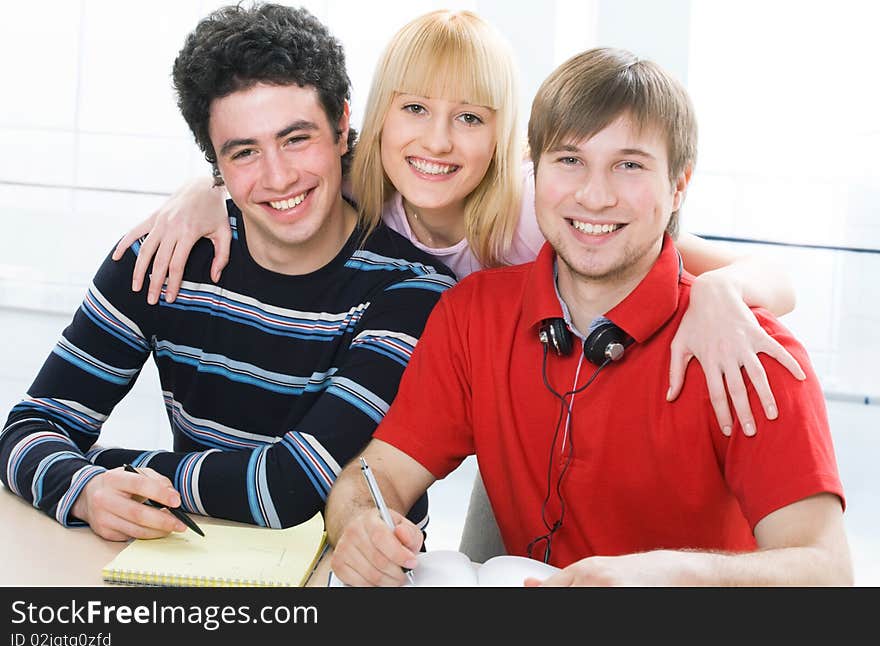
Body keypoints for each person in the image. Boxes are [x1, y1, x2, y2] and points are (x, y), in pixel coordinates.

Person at [113, 10, 804, 439]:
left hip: (549, 407)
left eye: (470, 118)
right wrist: (200, 190)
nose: (437, 142)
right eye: (414, 109)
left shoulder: (539, 208)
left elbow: (769, 279)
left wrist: (718, 292)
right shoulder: (357, 177)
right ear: (377, 116)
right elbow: (268, 167)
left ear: (506, 138)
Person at [323, 47, 852, 586]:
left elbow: (828, 573)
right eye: (570, 160)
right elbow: (376, 475)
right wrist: (361, 522)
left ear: (679, 186)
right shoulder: (469, 312)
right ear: (535, 170)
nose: (594, 196)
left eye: (629, 165)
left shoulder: (749, 348)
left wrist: (665, 577)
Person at [0, 3, 453, 541]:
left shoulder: (412, 290)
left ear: (342, 126)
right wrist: (86, 491)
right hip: (201, 569)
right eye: (244, 152)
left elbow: (291, 487)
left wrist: (105, 465)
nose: (279, 177)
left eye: (296, 138)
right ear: (214, 164)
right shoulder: (164, 258)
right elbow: (29, 430)